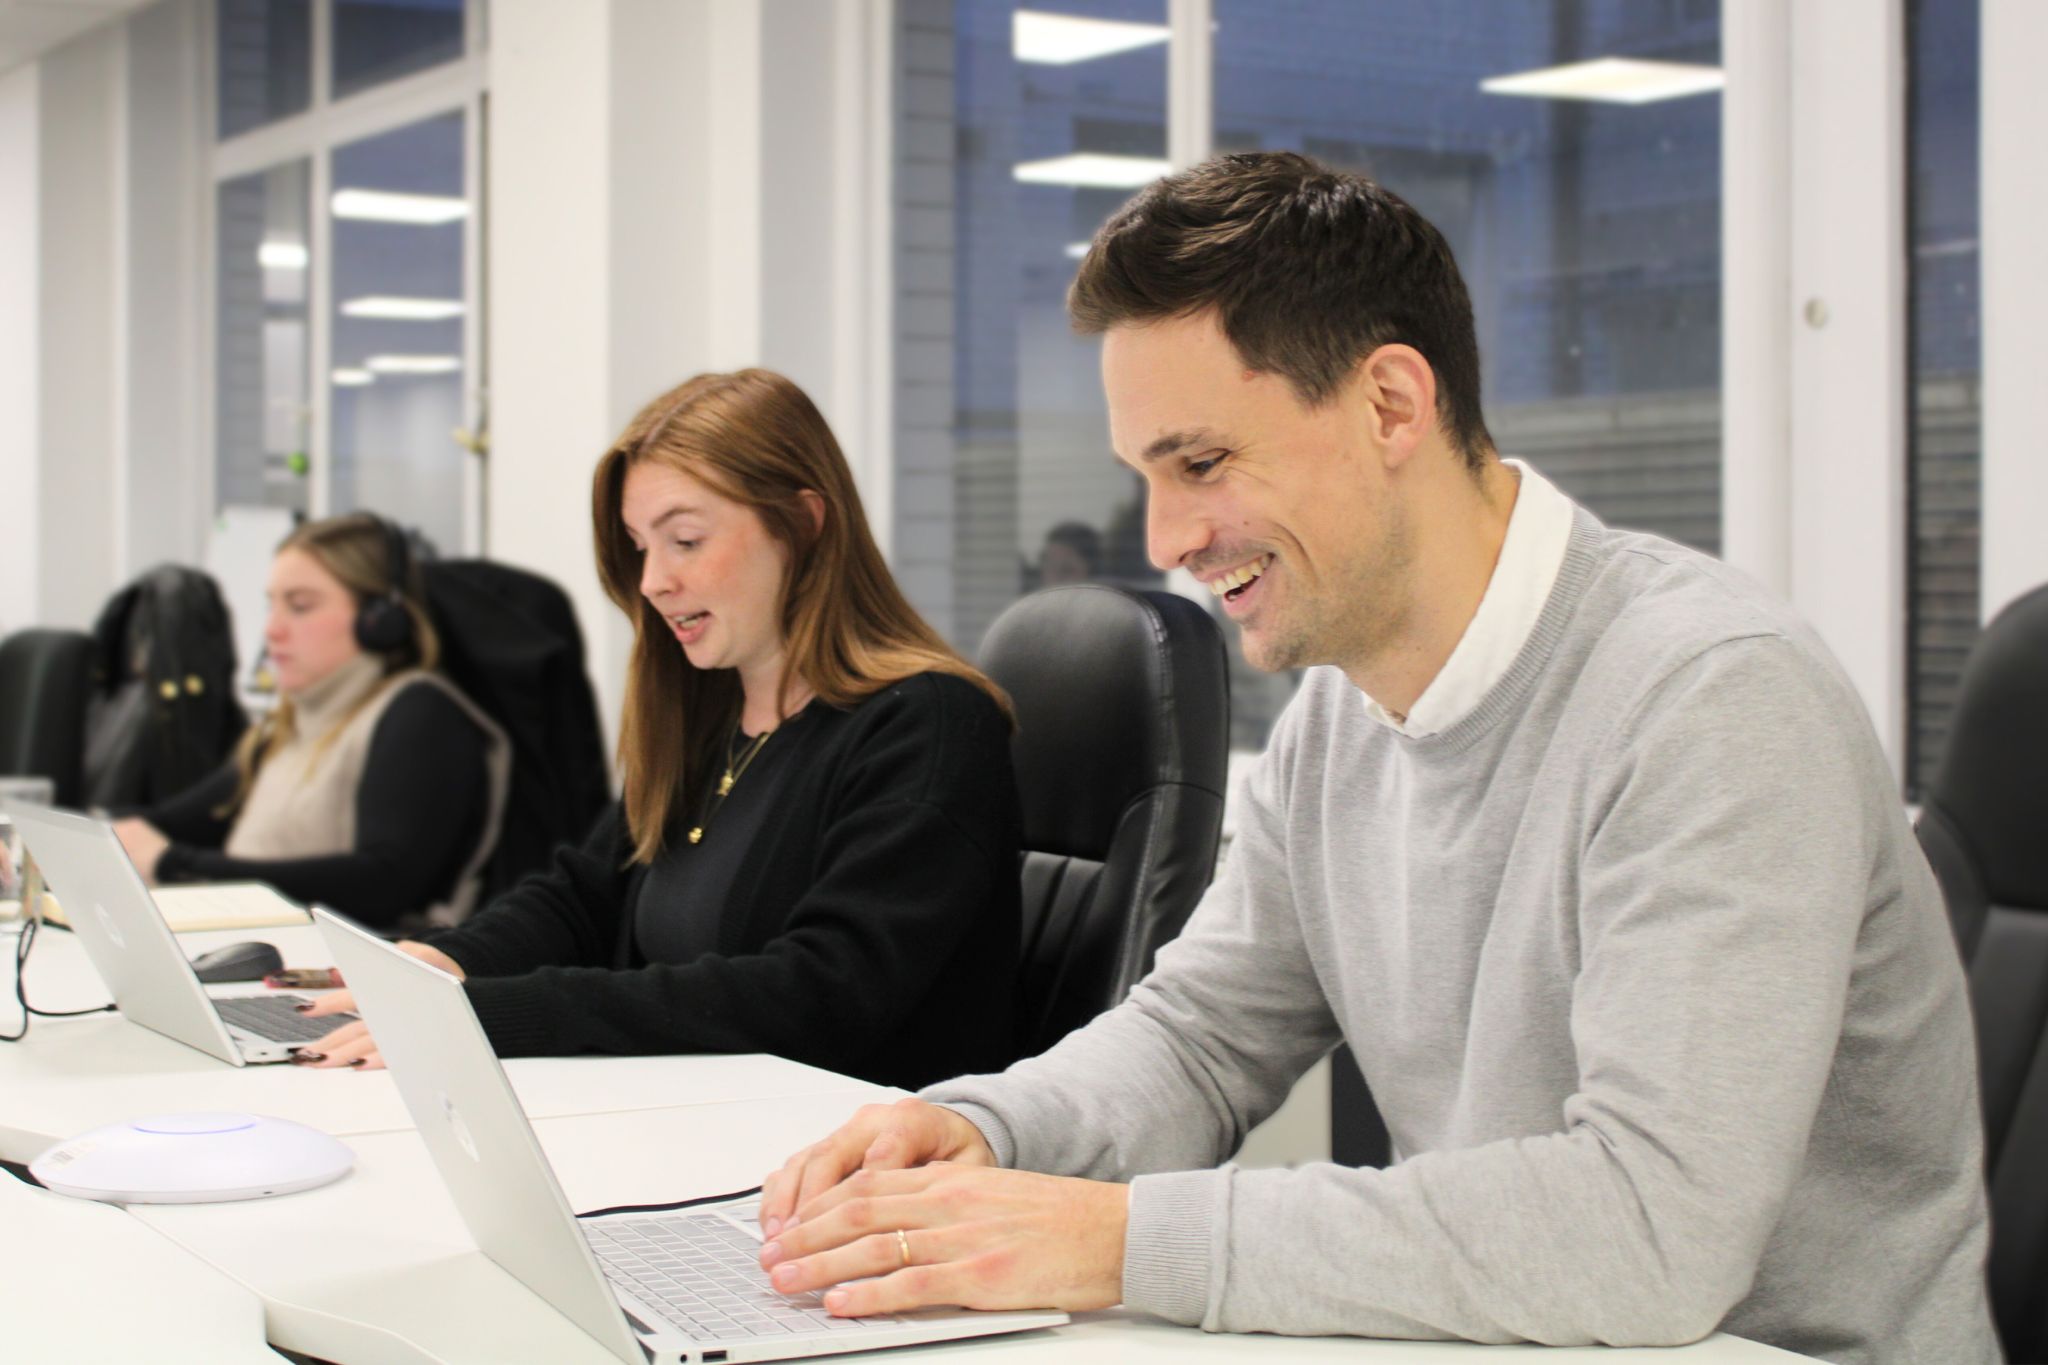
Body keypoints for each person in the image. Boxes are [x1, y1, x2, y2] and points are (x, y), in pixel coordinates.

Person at [750, 153, 1999, 1363]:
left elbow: (1649, 1228)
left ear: (1390, 404)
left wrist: (1118, 1242)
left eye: (1201, 462)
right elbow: (1198, 1039)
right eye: (1145, 478)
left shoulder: (1708, 697)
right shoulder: (1340, 722)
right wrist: (980, 1131)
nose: (1168, 535)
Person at [299, 369, 1023, 1092]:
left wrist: (489, 1017)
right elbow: (585, 896)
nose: (651, 581)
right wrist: (447, 965)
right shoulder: (712, 719)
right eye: (641, 545)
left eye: (684, 539)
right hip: (697, 1121)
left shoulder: (928, 725)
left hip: (844, 1164)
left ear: (802, 524)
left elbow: (819, 994)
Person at [113, 514, 510, 933]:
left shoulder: (420, 715)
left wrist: (176, 865)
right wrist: (107, 832)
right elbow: (179, 821)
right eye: (272, 605)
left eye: (300, 606)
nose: (272, 631)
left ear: (379, 619)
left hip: (331, 977)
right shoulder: (291, 723)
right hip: (256, 950)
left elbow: (385, 883)